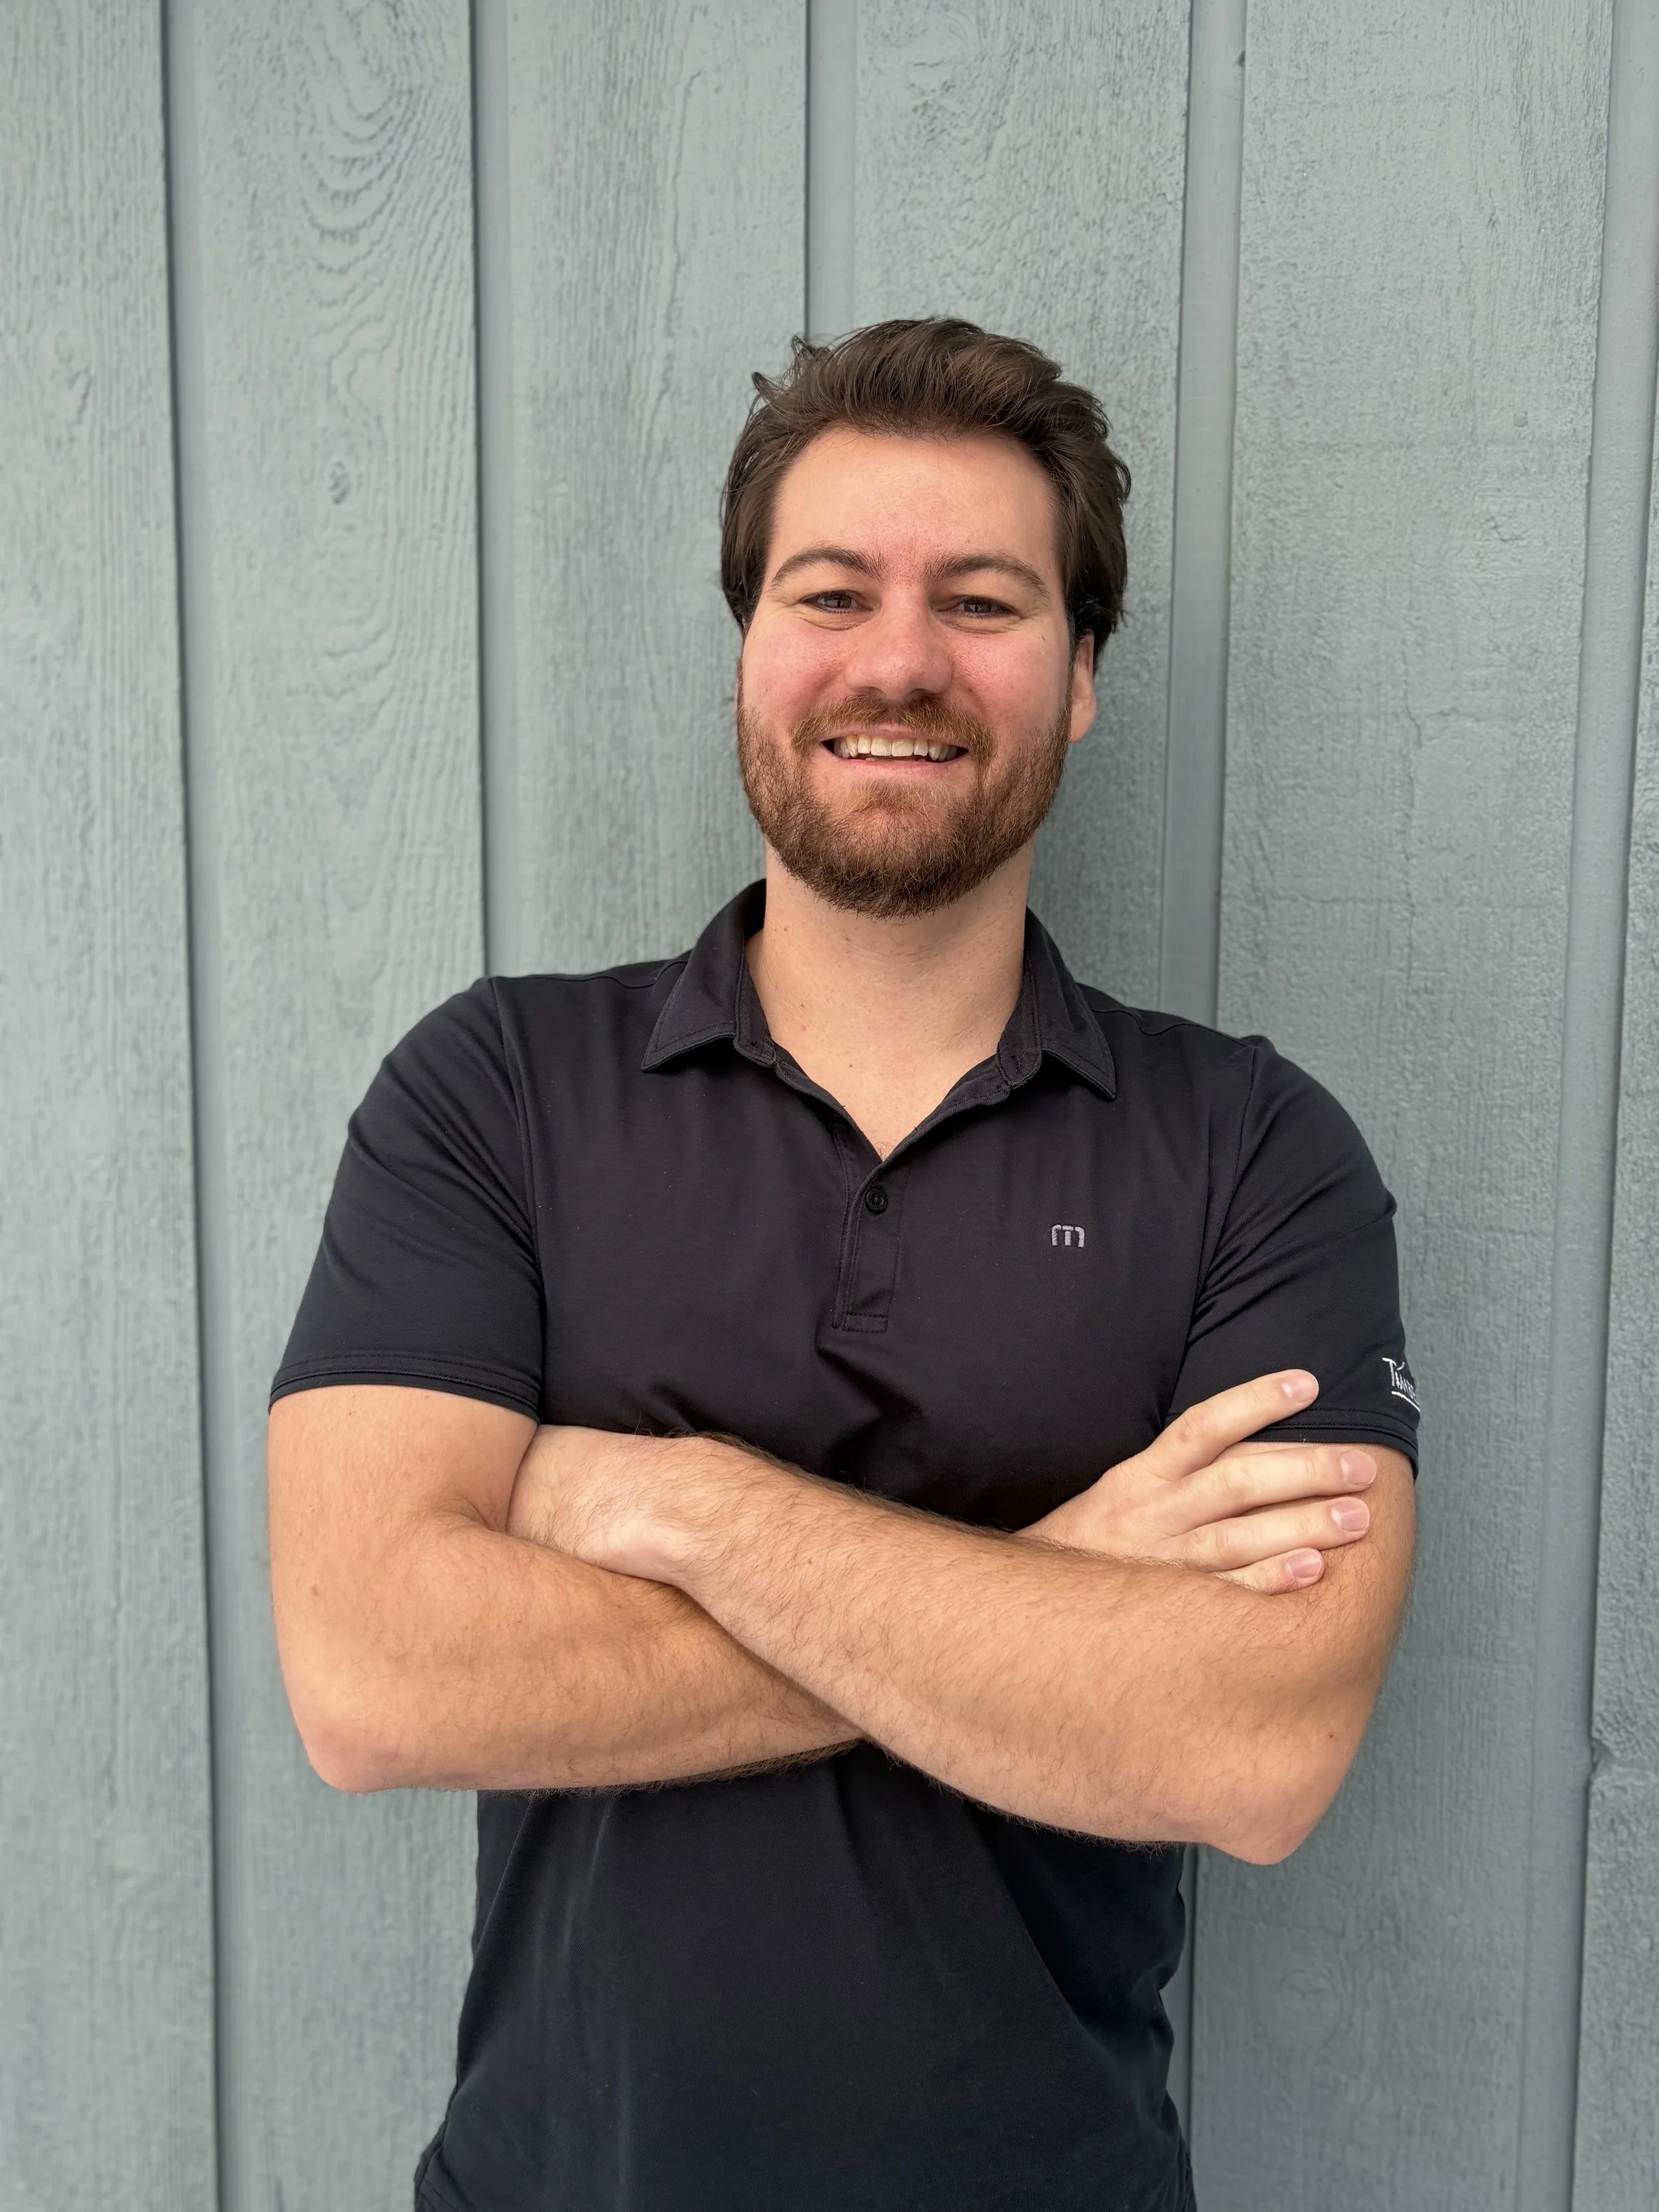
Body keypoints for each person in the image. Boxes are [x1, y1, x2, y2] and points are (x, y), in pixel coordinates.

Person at [268, 319, 1419, 2212]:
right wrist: (1050, 1591)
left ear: (1081, 680)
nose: (898, 660)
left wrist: (671, 1499)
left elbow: (1253, 1741)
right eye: (831, 592)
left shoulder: (1249, 1151)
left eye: (981, 599)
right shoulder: (497, 1090)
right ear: (750, 646)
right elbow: (374, 1673)